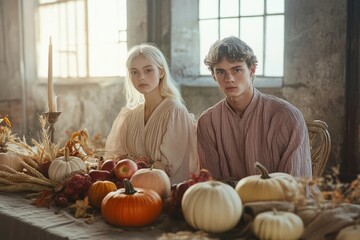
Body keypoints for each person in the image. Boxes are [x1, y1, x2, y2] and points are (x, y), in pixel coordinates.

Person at [197, 36, 313, 182]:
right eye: (220, 72)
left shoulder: (287, 117)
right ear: (214, 76)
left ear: (251, 70)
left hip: (280, 203)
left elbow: (295, 184)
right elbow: (211, 185)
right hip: (229, 203)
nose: (229, 79)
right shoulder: (207, 122)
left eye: (236, 70)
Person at [105, 43, 199, 184]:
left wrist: (135, 171)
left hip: (163, 193)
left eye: (148, 70)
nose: (141, 77)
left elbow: (170, 169)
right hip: (130, 190)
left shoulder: (175, 111)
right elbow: (117, 158)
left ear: (161, 72)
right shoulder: (130, 116)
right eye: (134, 72)